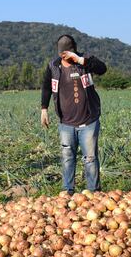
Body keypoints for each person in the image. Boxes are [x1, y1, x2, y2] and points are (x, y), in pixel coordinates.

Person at [41, 34, 107, 194]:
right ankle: (68, 190)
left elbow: (102, 69)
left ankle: (94, 192)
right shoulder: (53, 67)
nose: (67, 57)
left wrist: (80, 60)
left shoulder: (84, 61)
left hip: (88, 121)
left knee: (90, 158)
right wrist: (44, 109)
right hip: (66, 123)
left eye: (71, 53)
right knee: (67, 157)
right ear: (60, 54)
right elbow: (46, 87)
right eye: (65, 54)